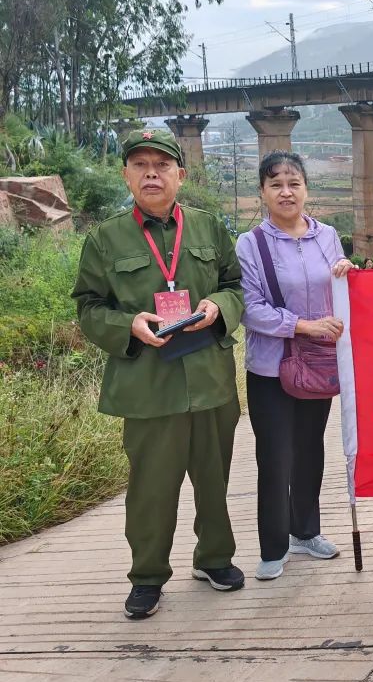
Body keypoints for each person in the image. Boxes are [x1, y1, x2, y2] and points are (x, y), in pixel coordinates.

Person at [72, 129, 246, 620]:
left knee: (214, 481)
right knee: (151, 488)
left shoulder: (210, 228)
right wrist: (127, 323)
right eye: (141, 165)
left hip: (210, 380)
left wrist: (219, 305)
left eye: (162, 165)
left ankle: (214, 559)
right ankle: (147, 577)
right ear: (126, 174)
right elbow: (87, 307)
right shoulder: (106, 238)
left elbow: (236, 286)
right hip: (148, 386)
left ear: (180, 175)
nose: (152, 173)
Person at [236, 152, 355, 581]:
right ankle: (274, 546)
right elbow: (251, 310)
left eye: (294, 183)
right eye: (275, 184)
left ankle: (307, 531)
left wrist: (347, 273)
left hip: (318, 363)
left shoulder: (328, 236)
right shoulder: (251, 244)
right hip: (271, 368)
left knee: (310, 451)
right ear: (263, 192)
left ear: (306, 188)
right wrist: (304, 326)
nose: (286, 192)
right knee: (275, 457)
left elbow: (338, 289)